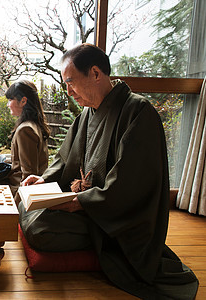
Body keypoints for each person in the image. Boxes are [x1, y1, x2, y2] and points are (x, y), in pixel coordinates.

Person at [19, 44, 199, 299]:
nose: (68, 91)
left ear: (95, 73)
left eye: (71, 82)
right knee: (25, 205)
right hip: (88, 206)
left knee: (40, 230)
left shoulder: (138, 112)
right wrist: (44, 180)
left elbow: (131, 183)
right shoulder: (87, 114)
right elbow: (65, 158)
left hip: (116, 216)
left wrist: (80, 201)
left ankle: (106, 248)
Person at [0, 80, 50, 202]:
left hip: (17, 190)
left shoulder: (25, 129)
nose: (8, 105)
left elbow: (28, 175)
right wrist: (1, 159)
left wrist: (15, 209)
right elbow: (26, 158)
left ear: (23, 101)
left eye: (10, 100)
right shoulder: (34, 125)